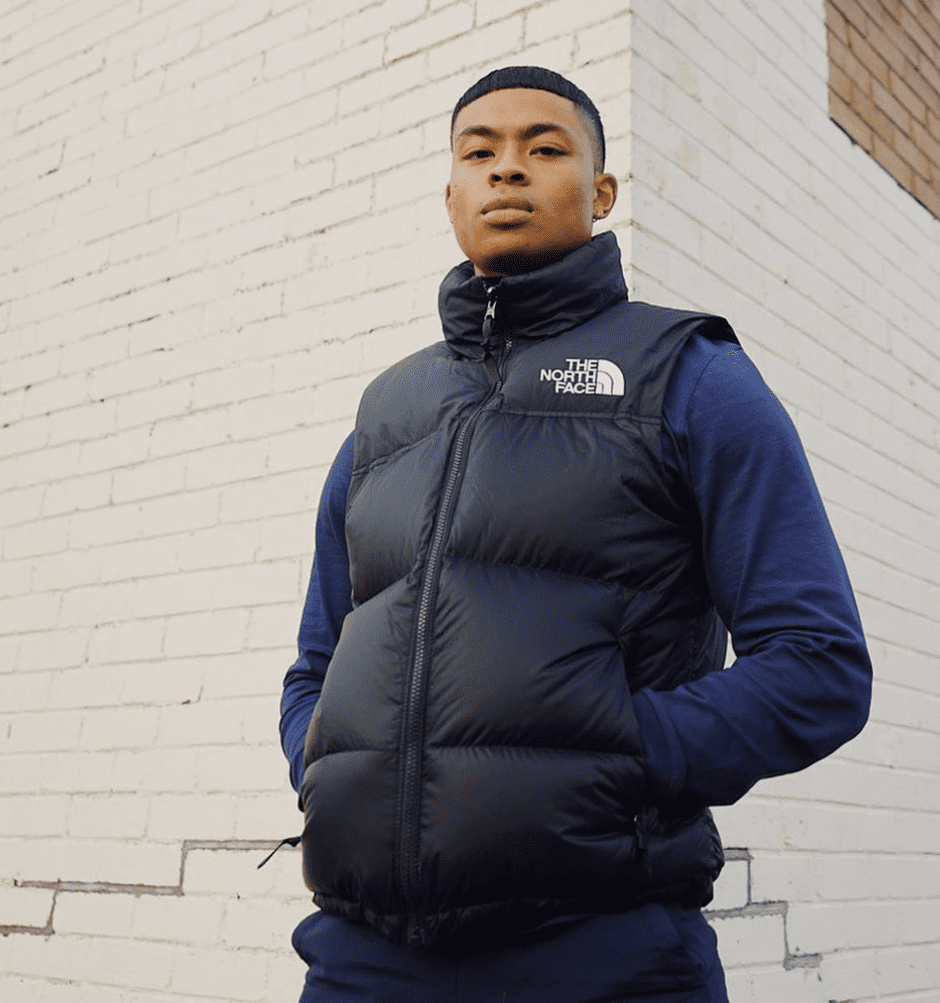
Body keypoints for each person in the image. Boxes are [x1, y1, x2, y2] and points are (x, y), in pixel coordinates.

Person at [279, 65, 872, 1002]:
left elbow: (817, 664)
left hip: (604, 953)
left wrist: (623, 753)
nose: (506, 168)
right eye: (479, 151)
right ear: (449, 194)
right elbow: (318, 658)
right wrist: (324, 766)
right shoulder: (383, 417)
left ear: (601, 193)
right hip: (364, 958)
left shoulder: (690, 375)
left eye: (543, 147)